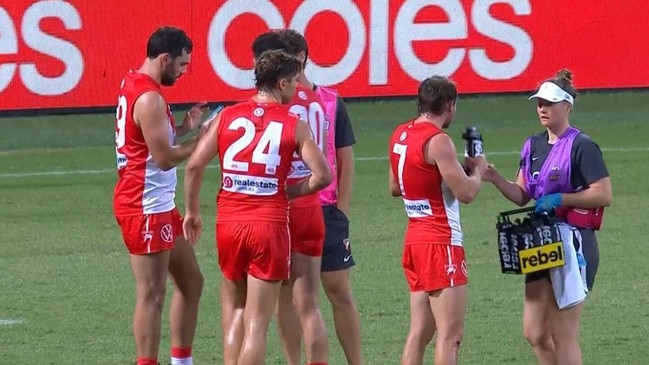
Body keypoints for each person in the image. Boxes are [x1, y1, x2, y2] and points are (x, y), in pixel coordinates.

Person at [182, 49, 332, 365]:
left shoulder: (227, 115)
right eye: (293, 82)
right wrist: (287, 191)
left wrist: (193, 212)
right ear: (280, 83)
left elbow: (194, 167)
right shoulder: (294, 124)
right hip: (268, 226)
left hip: (230, 224)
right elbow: (323, 175)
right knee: (257, 324)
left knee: (236, 308)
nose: (296, 89)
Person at [483, 69, 612, 365]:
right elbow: (522, 194)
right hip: (540, 242)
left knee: (561, 332)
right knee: (534, 332)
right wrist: (495, 178)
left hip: (573, 243)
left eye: (549, 103)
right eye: (539, 102)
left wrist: (561, 199)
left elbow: (603, 194)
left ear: (567, 106)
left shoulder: (582, 145)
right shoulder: (533, 145)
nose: (542, 108)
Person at [112, 26, 206, 365]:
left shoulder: (136, 84)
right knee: (151, 294)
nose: (183, 72)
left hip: (158, 203)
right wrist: (205, 142)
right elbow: (164, 158)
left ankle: (182, 361)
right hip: (144, 205)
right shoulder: (150, 98)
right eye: (181, 65)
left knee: (192, 282)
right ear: (165, 58)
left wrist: (184, 128)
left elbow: (148, 141)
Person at [388, 76, 487, 365]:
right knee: (450, 335)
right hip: (441, 241)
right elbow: (467, 193)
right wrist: (478, 170)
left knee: (420, 331)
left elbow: (396, 187)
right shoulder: (438, 141)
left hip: (415, 240)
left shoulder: (400, 134)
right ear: (449, 105)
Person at [251, 31, 330, 365]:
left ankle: (292, 361)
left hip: (281, 203)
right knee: (310, 302)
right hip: (313, 203)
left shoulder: (278, 101)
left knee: (282, 295)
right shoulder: (315, 100)